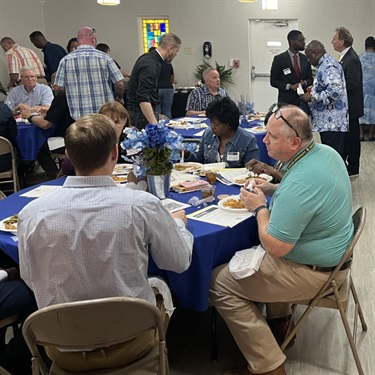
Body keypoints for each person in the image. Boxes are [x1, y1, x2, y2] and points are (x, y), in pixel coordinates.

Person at [18, 114, 193, 369]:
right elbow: (179, 262)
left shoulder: (31, 215)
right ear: (114, 152)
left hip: (62, 345)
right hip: (130, 340)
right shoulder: (141, 206)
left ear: (67, 154)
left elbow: (30, 278)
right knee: (160, 286)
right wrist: (178, 225)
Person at [210, 105, 353, 375]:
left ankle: (268, 367)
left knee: (219, 282)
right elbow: (302, 191)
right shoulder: (325, 153)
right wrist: (274, 188)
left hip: (316, 274)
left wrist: (259, 208)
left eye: (271, 137)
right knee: (254, 254)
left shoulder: (300, 184)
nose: (264, 141)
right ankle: (280, 322)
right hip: (332, 259)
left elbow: (275, 247)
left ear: (294, 142)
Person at [54, 27, 124, 120]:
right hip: (104, 114)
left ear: (78, 40)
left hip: (80, 117)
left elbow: (58, 87)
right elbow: (119, 84)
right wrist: (120, 98)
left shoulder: (65, 60)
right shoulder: (105, 58)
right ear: (94, 39)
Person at [301, 40, 348, 159]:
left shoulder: (328, 65)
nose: (308, 61)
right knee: (331, 157)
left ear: (315, 53)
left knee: (333, 158)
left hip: (332, 122)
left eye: (309, 57)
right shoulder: (324, 64)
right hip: (328, 122)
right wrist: (314, 89)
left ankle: (335, 178)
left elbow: (336, 91)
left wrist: (313, 97)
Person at [127, 33, 182, 129]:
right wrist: (155, 125)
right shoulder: (151, 64)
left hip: (139, 111)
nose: (176, 55)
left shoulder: (148, 58)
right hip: (139, 114)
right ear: (170, 49)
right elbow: (143, 97)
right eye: (176, 51)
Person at [185, 97, 258, 167]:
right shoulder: (208, 134)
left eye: (216, 124)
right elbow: (198, 161)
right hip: (208, 178)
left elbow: (251, 169)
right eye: (211, 122)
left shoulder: (247, 140)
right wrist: (187, 154)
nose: (212, 127)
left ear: (229, 124)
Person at [332, 27, 364, 177]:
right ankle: (348, 164)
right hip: (346, 108)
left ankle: (353, 167)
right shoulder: (344, 56)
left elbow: (353, 84)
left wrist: (335, 86)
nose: (332, 41)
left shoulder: (351, 59)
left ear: (342, 41)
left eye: (334, 39)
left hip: (350, 107)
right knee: (348, 138)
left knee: (352, 139)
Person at [270, 30, 313, 112]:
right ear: (292, 42)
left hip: (302, 101)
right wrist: (289, 86)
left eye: (304, 40)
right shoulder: (279, 59)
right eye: (301, 40)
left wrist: (304, 83)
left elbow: (310, 78)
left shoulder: (305, 59)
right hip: (286, 101)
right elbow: (273, 81)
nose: (304, 43)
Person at [246, 103, 288, 183]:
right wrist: (264, 168)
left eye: (272, 135)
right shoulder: (283, 157)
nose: (265, 140)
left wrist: (273, 171)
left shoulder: (304, 160)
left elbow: (295, 185)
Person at [148, 47, 176, 119]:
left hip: (157, 89)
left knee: (157, 111)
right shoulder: (167, 63)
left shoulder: (153, 63)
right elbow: (172, 77)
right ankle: (169, 126)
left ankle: (159, 128)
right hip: (168, 89)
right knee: (167, 111)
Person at [359, 36, 375, 141]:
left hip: (362, 88)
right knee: (373, 110)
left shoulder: (359, 58)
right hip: (373, 89)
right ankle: (371, 135)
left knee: (361, 110)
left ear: (365, 46)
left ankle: (360, 135)